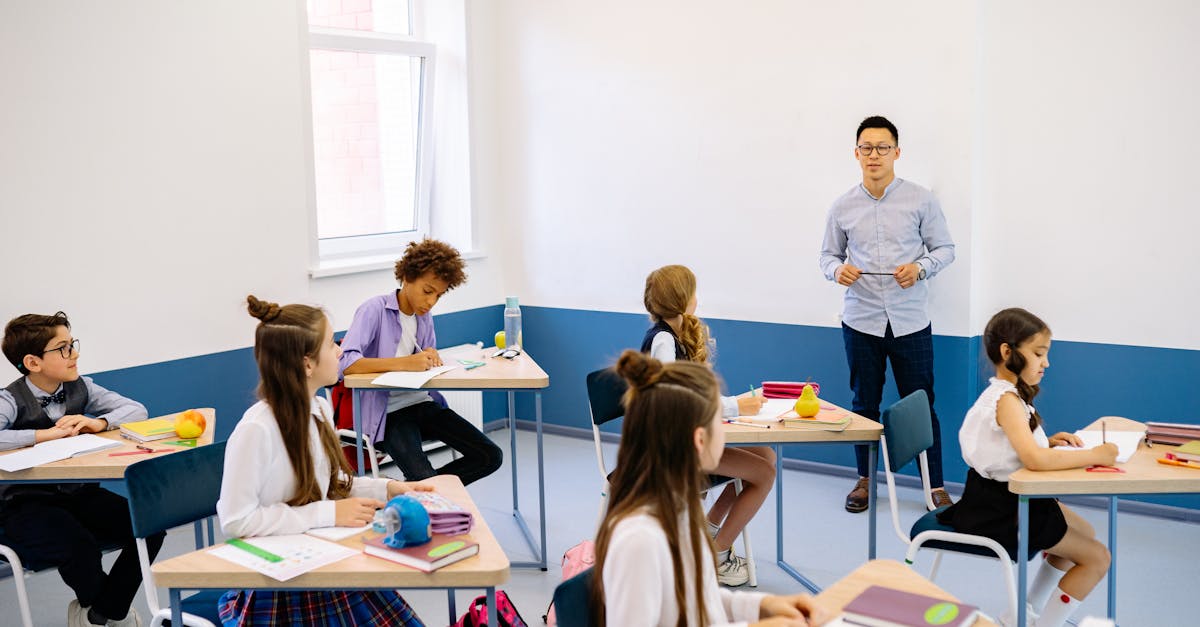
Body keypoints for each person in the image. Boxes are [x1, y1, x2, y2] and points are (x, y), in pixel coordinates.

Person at [217, 296, 432, 626]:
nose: (341, 350)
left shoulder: (319, 409)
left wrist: (388, 488)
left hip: (321, 558)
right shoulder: (255, 431)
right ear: (306, 364)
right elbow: (237, 521)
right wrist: (329, 512)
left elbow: (330, 484)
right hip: (280, 586)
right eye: (332, 342)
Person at [592, 350, 829, 627]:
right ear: (700, 439)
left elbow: (699, 600)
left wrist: (762, 606)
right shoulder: (640, 541)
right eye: (720, 421)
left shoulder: (679, 510)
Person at [937, 308, 1114, 627]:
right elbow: (1034, 461)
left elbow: (1019, 451)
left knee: (1085, 533)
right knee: (1098, 558)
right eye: (1038, 353)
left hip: (1007, 498)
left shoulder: (1010, 396)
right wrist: (1096, 455)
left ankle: (1026, 611)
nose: (1046, 363)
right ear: (1008, 352)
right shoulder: (1005, 400)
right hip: (999, 510)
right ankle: (1047, 623)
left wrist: (1048, 442)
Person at [818, 115, 956, 513]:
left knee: (921, 404)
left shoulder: (922, 200)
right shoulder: (842, 206)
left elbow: (945, 249)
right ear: (856, 153)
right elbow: (827, 256)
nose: (873, 155)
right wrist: (836, 270)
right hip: (860, 320)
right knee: (864, 404)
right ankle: (865, 480)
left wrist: (920, 268)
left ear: (897, 152)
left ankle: (934, 487)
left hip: (910, 321)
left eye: (882, 148)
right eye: (866, 148)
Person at [0, 311, 159, 627]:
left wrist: (98, 422)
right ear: (33, 363)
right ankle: (115, 616)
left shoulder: (81, 386)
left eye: (72, 344)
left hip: (78, 492)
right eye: (63, 348)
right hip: (24, 503)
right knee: (79, 546)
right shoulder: (10, 399)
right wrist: (45, 435)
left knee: (151, 526)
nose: (75, 353)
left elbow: (137, 410)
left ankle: (101, 614)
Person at [641, 264, 776, 587]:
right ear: (681, 299)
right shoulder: (663, 342)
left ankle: (708, 531)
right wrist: (733, 406)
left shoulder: (673, 335)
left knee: (766, 454)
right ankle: (716, 556)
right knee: (765, 474)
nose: (697, 298)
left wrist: (733, 406)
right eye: (693, 292)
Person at [339, 238, 502, 485]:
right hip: (389, 414)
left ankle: (417, 490)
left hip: (424, 404)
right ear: (406, 277)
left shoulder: (424, 317)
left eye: (438, 295)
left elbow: (422, 357)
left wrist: (430, 357)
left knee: (490, 456)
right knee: (425, 479)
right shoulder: (373, 310)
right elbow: (346, 364)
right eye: (427, 291)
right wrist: (406, 362)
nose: (431, 302)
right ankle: (425, 489)